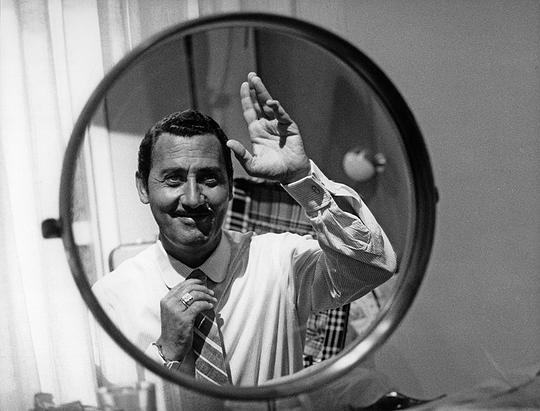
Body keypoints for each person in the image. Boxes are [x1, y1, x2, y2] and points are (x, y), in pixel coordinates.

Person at [92, 72, 396, 405]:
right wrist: (167, 350)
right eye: (173, 180)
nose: (192, 198)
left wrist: (301, 178)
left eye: (209, 179)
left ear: (231, 187)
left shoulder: (281, 262)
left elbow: (373, 265)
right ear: (143, 187)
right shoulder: (112, 298)